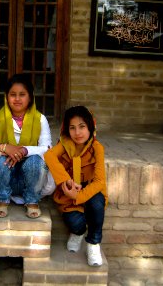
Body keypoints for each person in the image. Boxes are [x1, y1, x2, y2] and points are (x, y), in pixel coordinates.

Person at [0, 74, 55, 219]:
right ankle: (2, 199)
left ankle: (32, 200)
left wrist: (24, 151)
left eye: (22, 94)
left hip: (30, 178)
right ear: (6, 97)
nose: (17, 99)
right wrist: (4, 147)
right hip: (5, 178)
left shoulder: (40, 119)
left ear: (30, 97)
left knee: (36, 161)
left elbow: (47, 149)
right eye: (13, 94)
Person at [44, 105, 108, 266]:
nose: (77, 133)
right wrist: (66, 180)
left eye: (82, 127)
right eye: (72, 128)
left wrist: (79, 196)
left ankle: (93, 243)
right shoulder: (65, 144)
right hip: (69, 191)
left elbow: (100, 181)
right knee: (75, 223)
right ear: (67, 130)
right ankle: (78, 233)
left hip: (90, 190)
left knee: (97, 204)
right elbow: (49, 155)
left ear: (90, 127)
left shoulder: (97, 148)